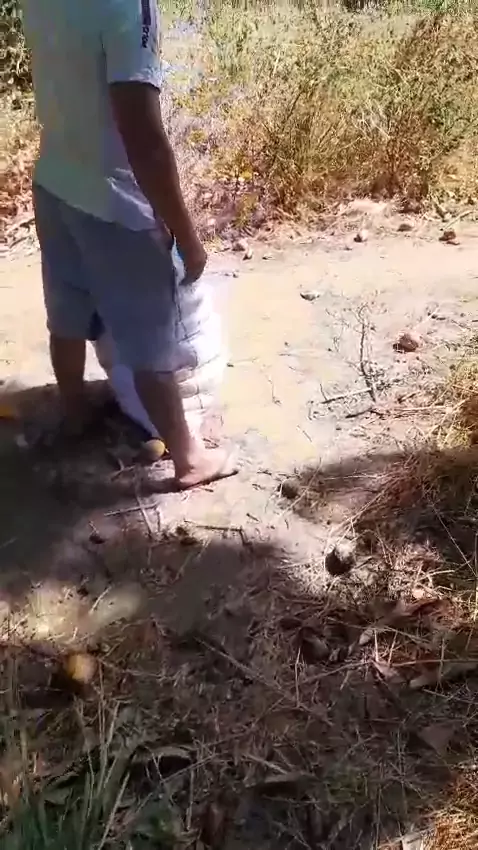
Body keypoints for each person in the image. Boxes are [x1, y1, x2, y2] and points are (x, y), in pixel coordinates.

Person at [20, 0, 236, 489]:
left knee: (67, 311)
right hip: (114, 201)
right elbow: (142, 134)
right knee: (150, 341)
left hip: (54, 179)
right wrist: (186, 235)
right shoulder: (128, 7)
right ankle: (190, 459)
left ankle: (75, 411)